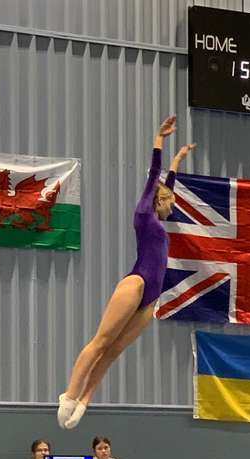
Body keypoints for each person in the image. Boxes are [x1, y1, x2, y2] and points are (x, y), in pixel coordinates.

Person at [58, 114, 196, 429]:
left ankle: (84, 401)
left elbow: (167, 183)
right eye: (169, 202)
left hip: (151, 298)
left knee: (115, 350)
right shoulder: (144, 213)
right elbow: (155, 180)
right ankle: (69, 394)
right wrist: (160, 141)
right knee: (101, 341)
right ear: (158, 199)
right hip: (136, 283)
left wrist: (178, 158)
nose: (172, 207)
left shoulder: (159, 220)